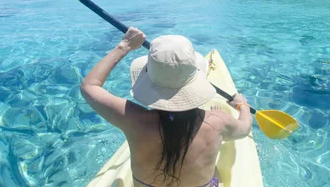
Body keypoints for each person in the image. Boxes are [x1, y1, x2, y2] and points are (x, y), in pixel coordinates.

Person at [80, 27, 253, 187]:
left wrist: (124, 46)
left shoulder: (132, 119)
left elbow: (89, 86)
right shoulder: (218, 122)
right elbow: (245, 128)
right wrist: (242, 106)